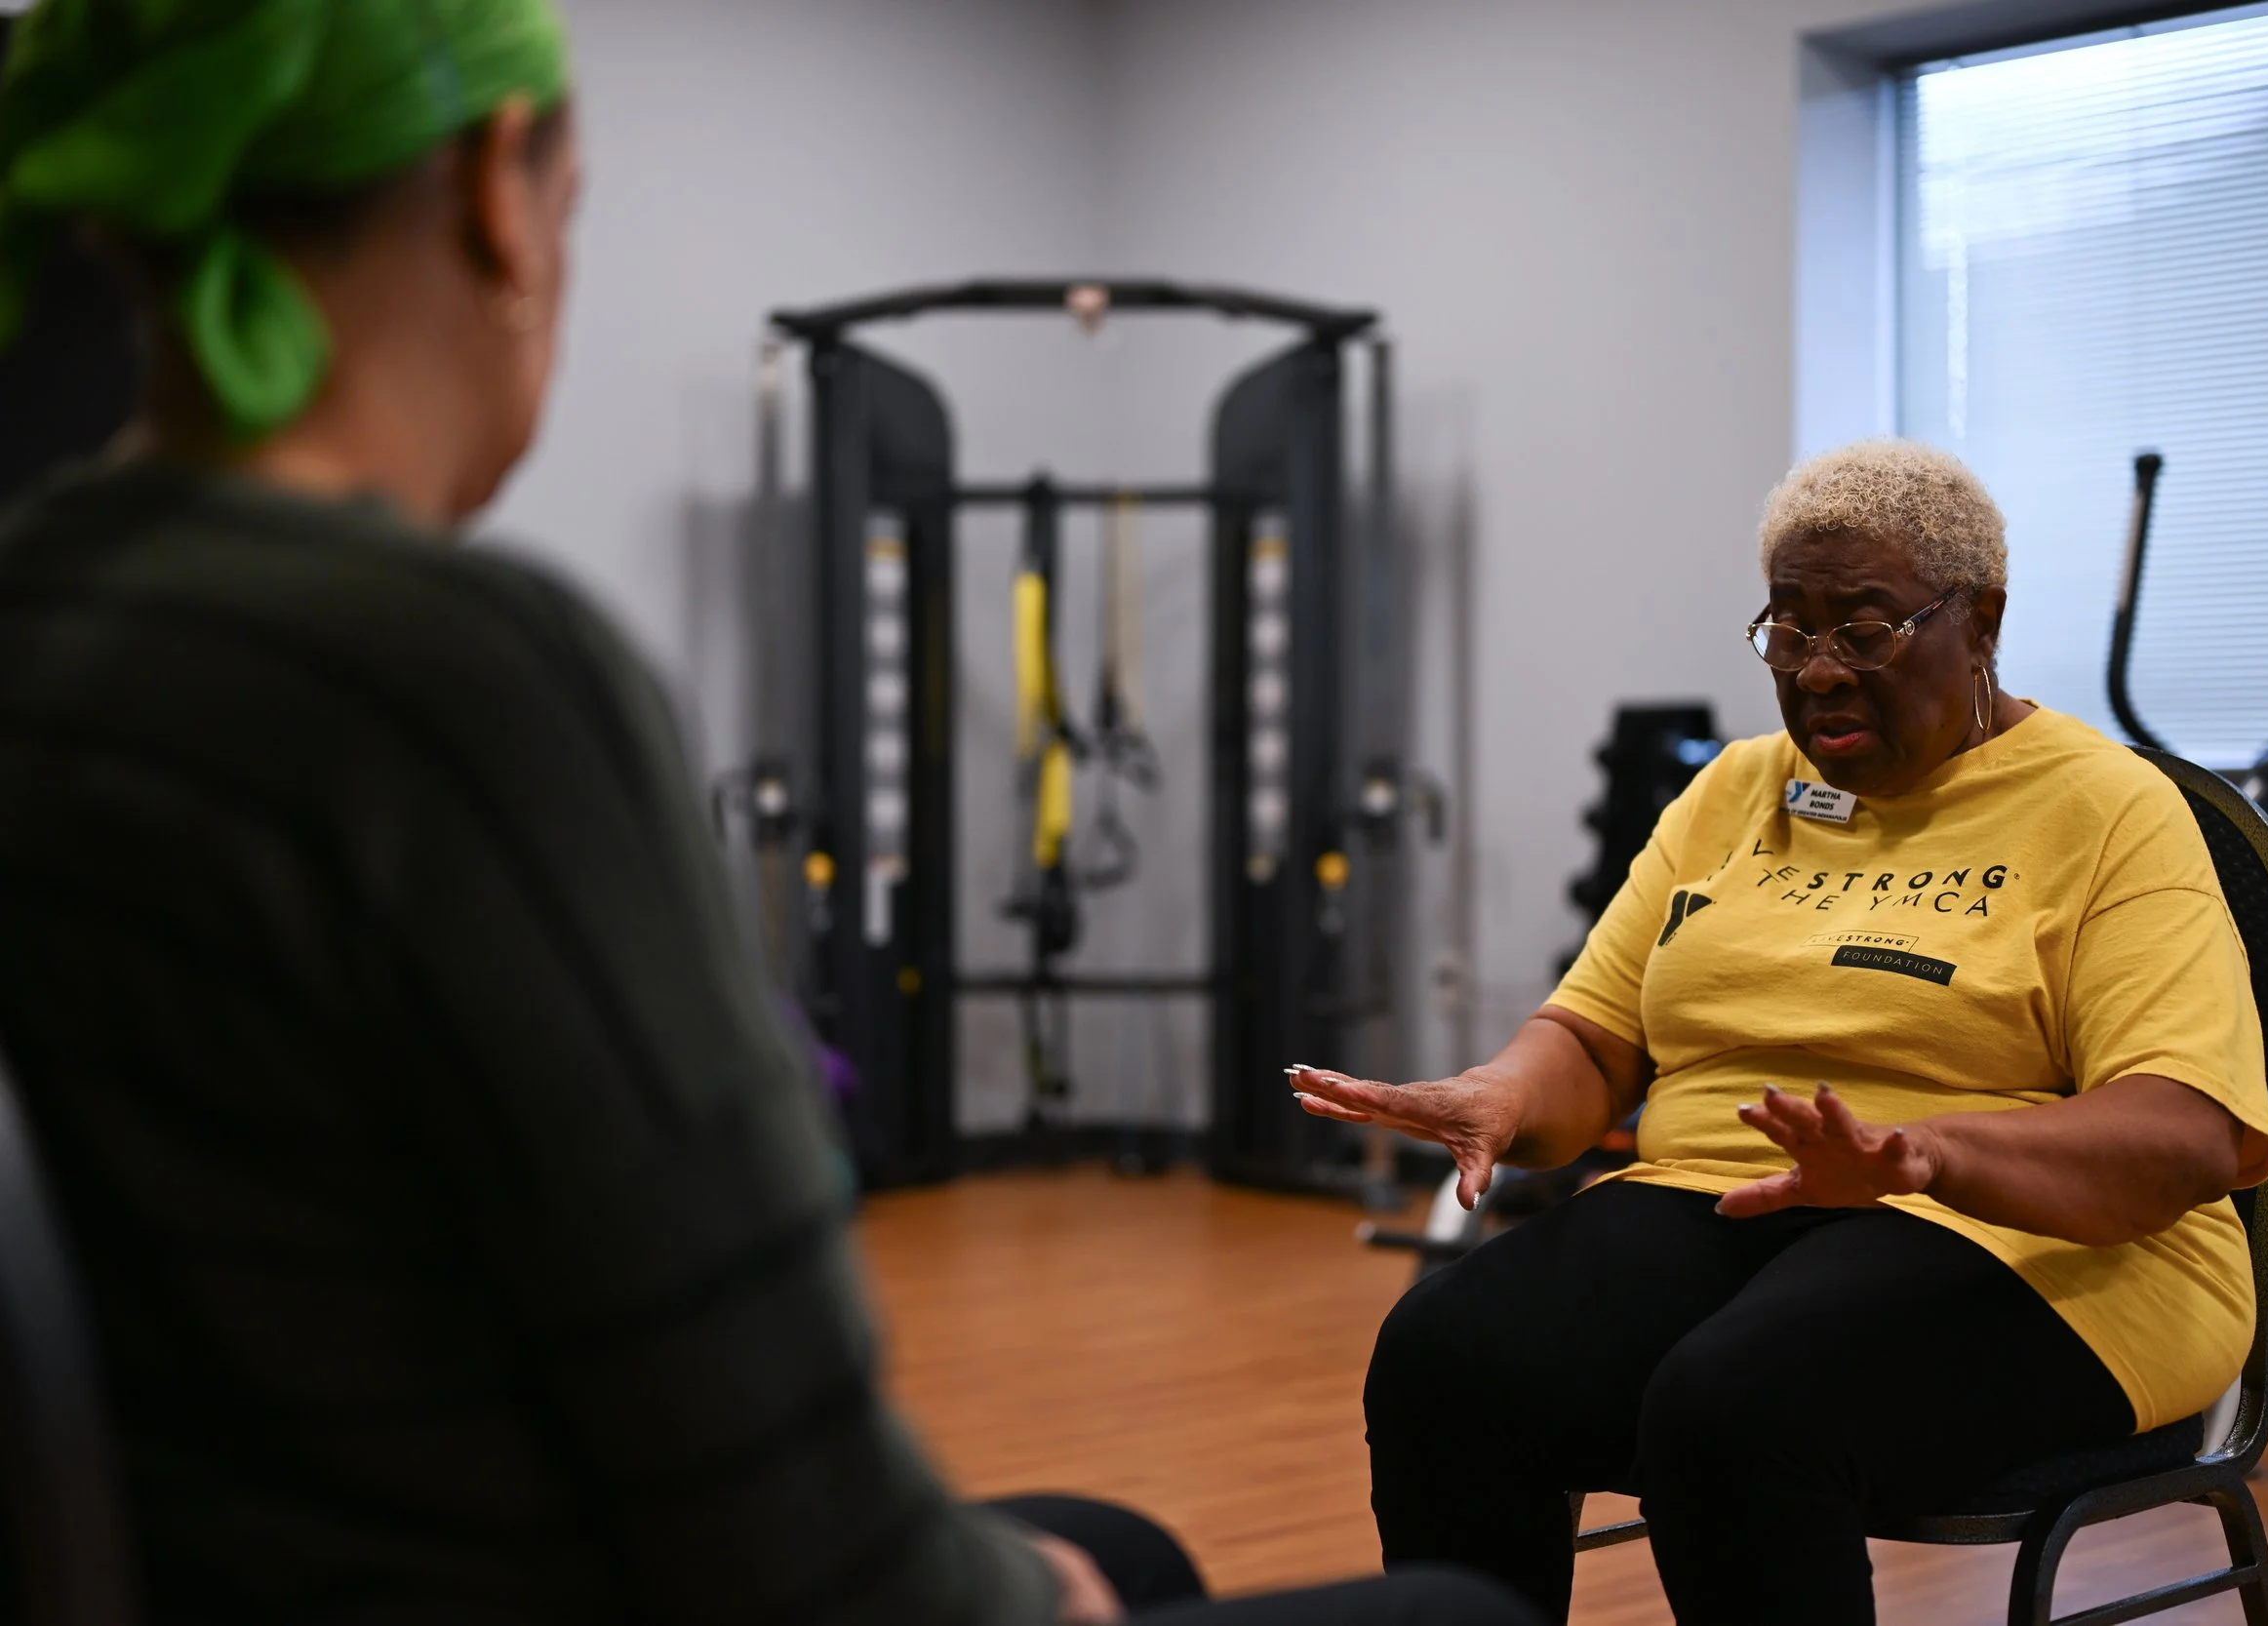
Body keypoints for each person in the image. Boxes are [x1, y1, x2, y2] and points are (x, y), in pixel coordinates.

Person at [0, 5, 1533, 1624]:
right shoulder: (455, 677)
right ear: (494, 191)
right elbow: (786, 1511)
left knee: (1125, 1535)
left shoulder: (43, 619)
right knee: (1441, 1613)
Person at [1291, 439, 2268, 1626]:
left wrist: (1929, 1156)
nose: (1816, 672)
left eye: (1864, 632)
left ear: (1980, 621)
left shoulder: (2111, 810)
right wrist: (1501, 1093)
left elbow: (2182, 1137)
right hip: (1733, 1200)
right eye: (1789, 631)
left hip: (2052, 1244)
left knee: (1739, 1405)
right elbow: (1596, 1039)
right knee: (1446, 1356)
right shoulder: (1735, 792)